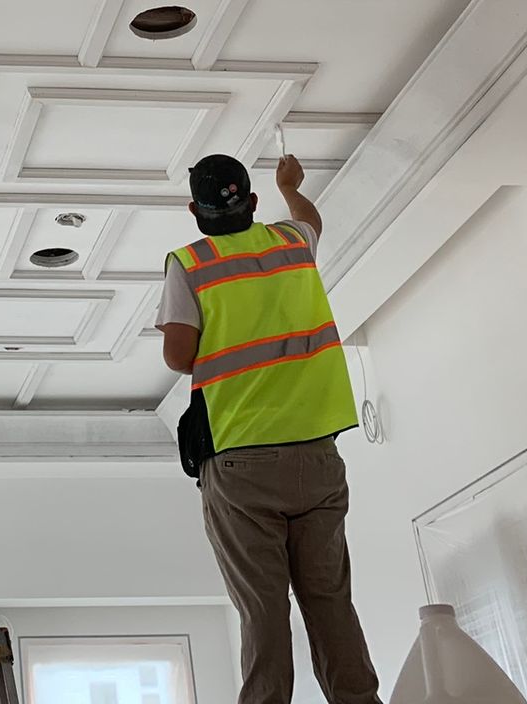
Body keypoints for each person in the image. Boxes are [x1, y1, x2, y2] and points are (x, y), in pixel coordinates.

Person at [157, 152, 380, 704]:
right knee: (329, 599)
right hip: (318, 454)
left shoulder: (191, 263)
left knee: (262, 606)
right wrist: (290, 185)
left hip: (242, 458)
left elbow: (178, 356)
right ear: (251, 202)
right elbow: (311, 218)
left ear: (194, 209)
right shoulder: (290, 243)